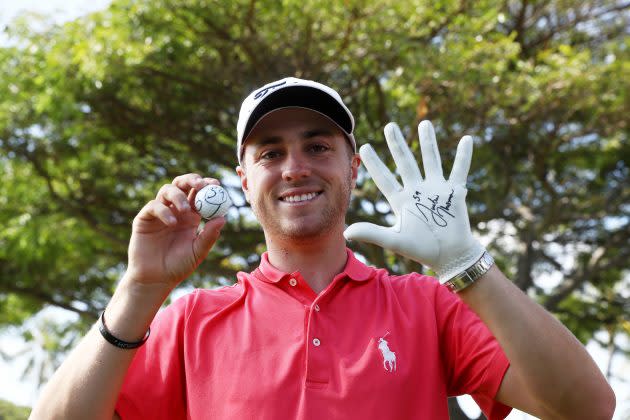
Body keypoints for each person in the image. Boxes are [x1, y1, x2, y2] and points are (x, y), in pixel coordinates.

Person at [31, 77, 615, 420]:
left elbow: (588, 407)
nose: (295, 168)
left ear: (353, 168)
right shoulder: (190, 319)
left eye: (317, 146)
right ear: (243, 177)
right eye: (270, 152)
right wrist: (139, 289)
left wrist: (469, 268)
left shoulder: (427, 304)